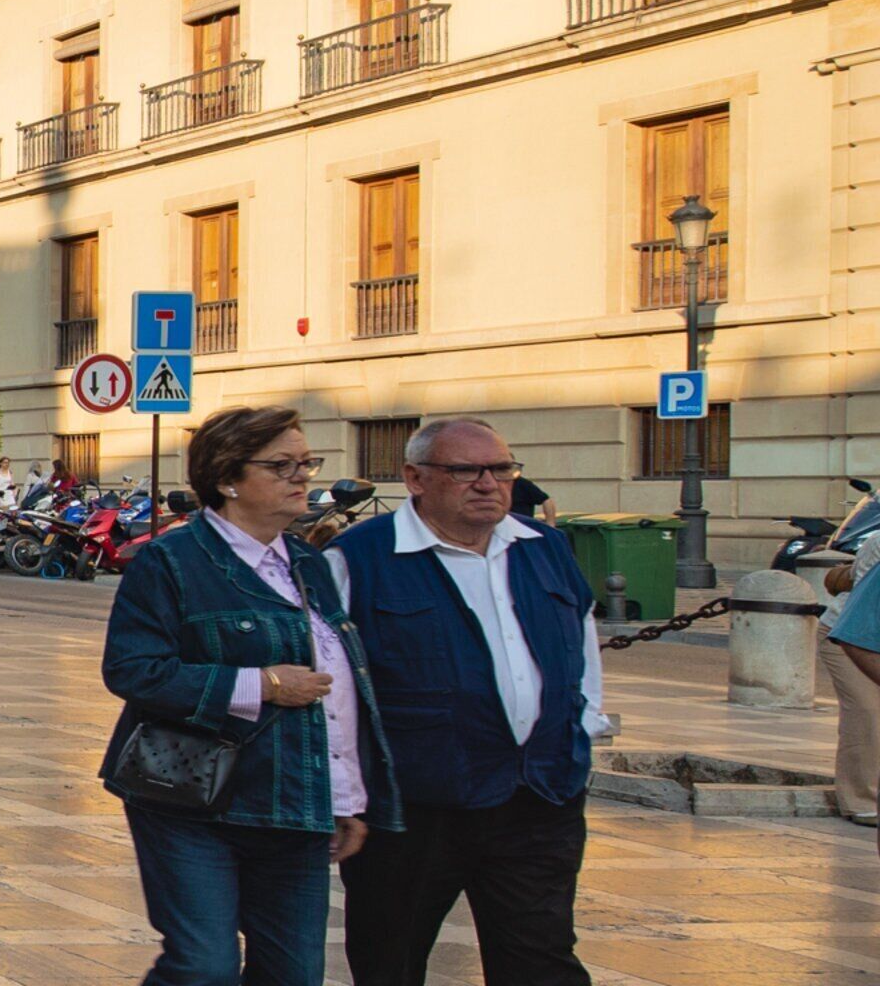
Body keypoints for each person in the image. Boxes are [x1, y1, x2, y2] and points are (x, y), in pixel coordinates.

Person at [105, 405, 394, 986]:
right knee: (204, 967)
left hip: (293, 804)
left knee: (293, 974)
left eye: (306, 462)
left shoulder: (308, 562)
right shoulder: (171, 560)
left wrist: (345, 797)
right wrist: (261, 684)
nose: (301, 476)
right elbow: (134, 670)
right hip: (192, 799)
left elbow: (339, 690)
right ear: (227, 478)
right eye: (281, 465)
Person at [328, 418, 603, 986]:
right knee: (390, 958)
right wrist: (342, 793)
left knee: (542, 960)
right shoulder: (358, 557)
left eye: (501, 469)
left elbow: (582, 651)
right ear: (415, 478)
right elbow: (329, 684)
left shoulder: (545, 547)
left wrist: (579, 737)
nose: (488, 483)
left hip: (537, 795)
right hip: (413, 806)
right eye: (465, 471)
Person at [829, 525, 880, 839]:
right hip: (851, 633)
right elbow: (859, 624)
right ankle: (860, 800)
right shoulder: (877, 543)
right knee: (866, 711)